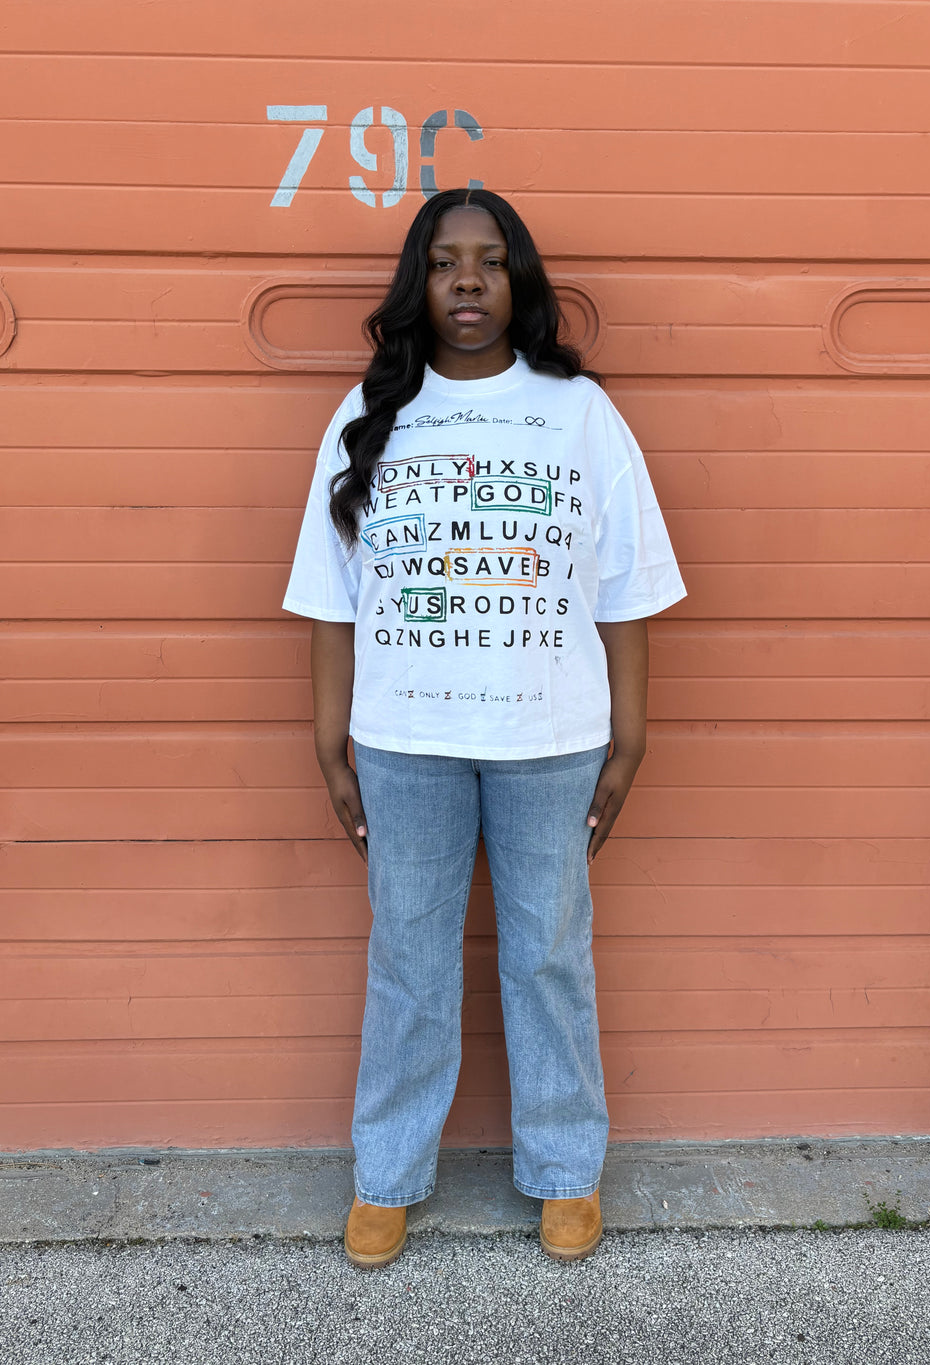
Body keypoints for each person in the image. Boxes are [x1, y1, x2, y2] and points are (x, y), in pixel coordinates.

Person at [283, 188, 685, 1268]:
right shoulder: (370, 411)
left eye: (492, 262)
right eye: (447, 262)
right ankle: (387, 1176)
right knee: (410, 959)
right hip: (402, 736)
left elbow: (624, 587)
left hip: (549, 737)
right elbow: (330, 591)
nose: (469, 281)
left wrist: (630, 734)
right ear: (418, 280)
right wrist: (330, 738)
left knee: (547, 955)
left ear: (521, 284)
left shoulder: (579, 413)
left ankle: (564, 1170)